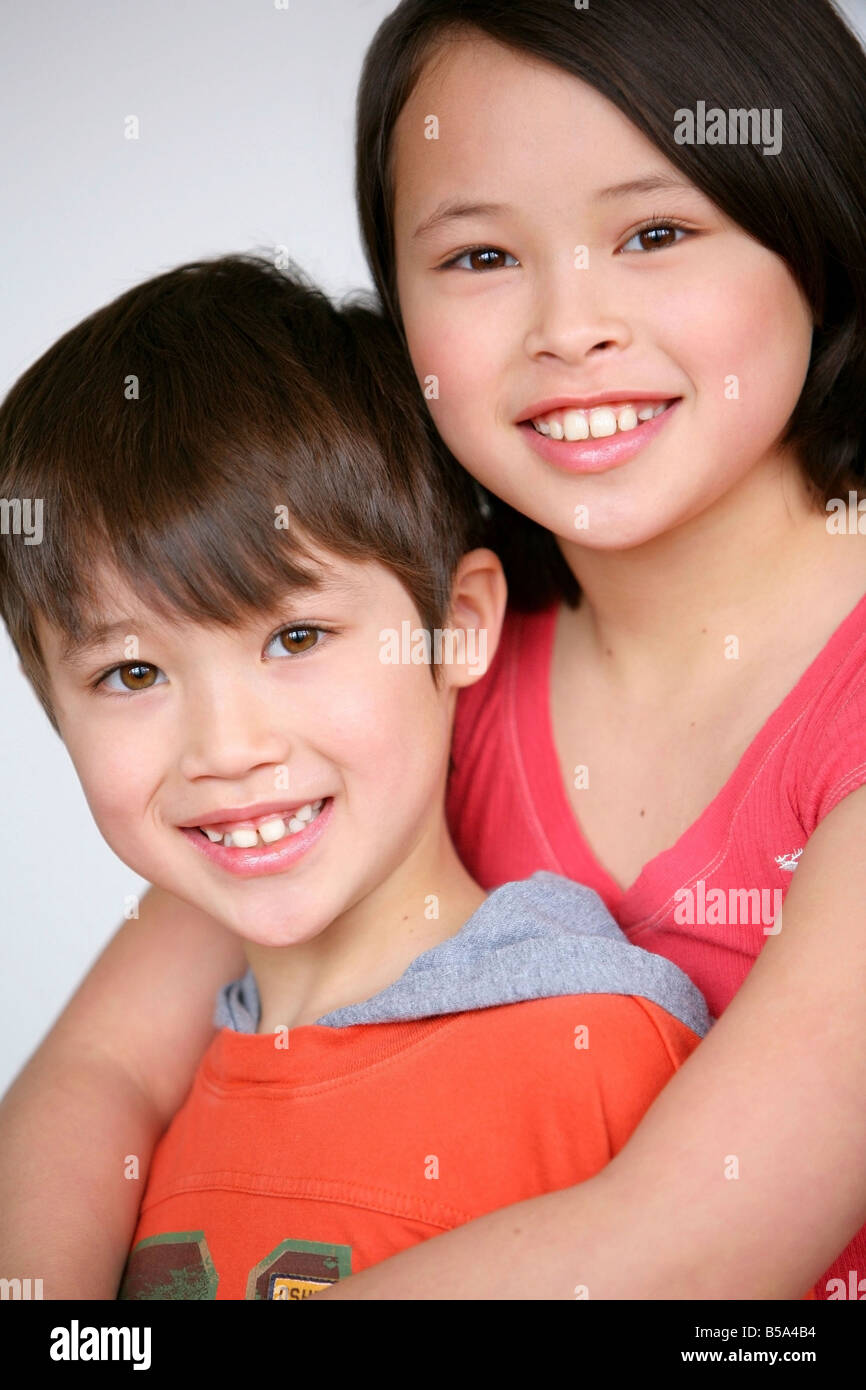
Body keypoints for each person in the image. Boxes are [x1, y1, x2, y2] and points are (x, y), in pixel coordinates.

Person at [2, 0, 865, 1300]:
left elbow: (688, 1240)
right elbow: (101, 1073)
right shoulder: (397, 658)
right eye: (476, 258)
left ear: (818, 232)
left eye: (653, 231)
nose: (567, 326)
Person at [0, 254, 718, 1301]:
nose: (225, 746)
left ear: (458, 627)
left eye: (295, 636)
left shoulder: (591, 1051)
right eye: (133, 671)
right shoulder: (140, 1119)